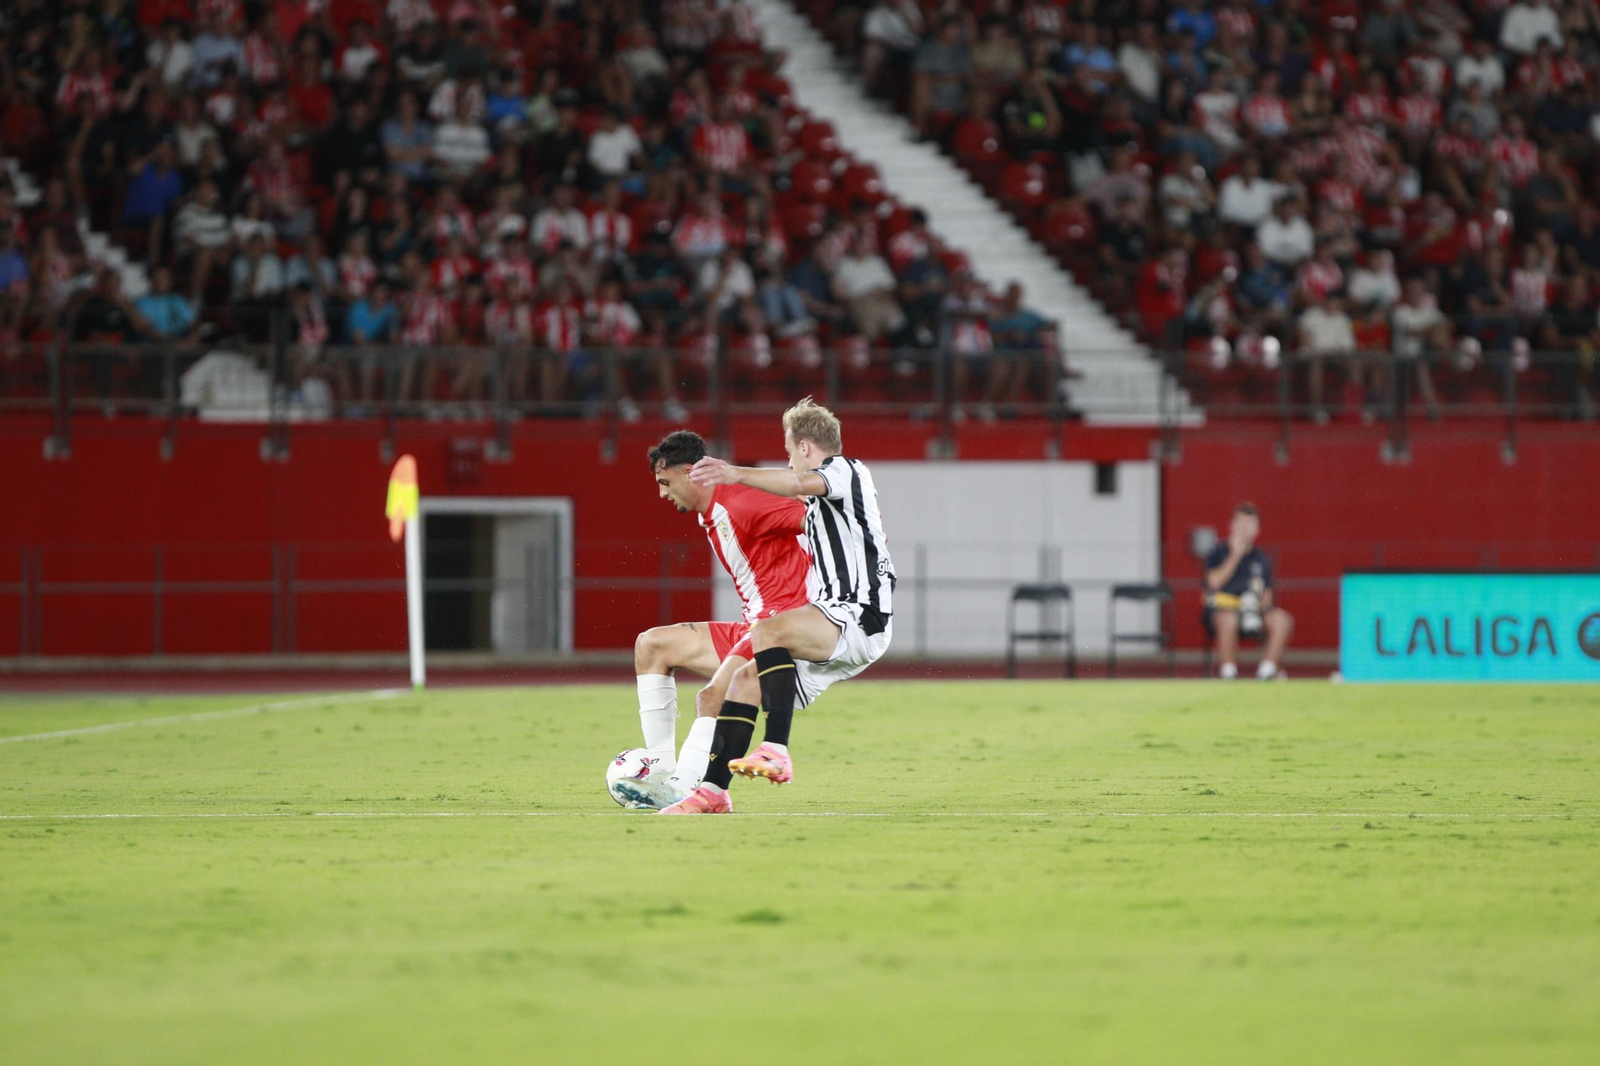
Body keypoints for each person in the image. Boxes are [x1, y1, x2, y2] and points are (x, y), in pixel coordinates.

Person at [664, 398, 896, 814]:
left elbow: (798, 484)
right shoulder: (821, 502)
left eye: (790, 452)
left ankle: (775, 749)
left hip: (859, 615)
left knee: (766, 630)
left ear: (806, 448)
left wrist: (735, 474)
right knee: (743, 682)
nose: (790, 463)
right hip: (836, 617)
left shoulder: (846, 470)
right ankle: (712, 794)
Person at [611, 431, 812, 809]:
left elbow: (815, 523)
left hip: (781, 631)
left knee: (713, 696)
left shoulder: (740, 504)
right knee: (652, 645)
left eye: (664, 482)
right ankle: (661, 769)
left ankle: (684, 788)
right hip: (753, 625)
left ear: (690, 473)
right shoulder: (716, 512)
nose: (662, 493)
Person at [1202, 503, 1293, 680]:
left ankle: (1266, 672)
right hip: (1222, 611)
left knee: (1282, 620)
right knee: (1229, 619)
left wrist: (1254, 606)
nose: (1245, 529)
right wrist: (1235, 555)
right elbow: (1213, 583)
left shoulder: (1262, 558)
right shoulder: (1217, 552)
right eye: (1241, 523)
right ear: (1232, 525)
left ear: (1257, 529)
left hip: (1253, 611)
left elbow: (1267, 595)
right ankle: (1229, 673)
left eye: (1250, 524)